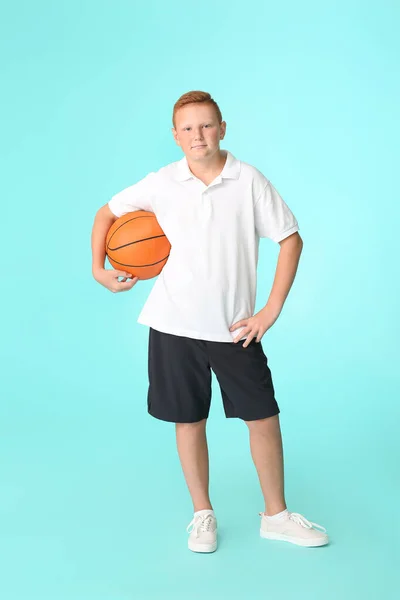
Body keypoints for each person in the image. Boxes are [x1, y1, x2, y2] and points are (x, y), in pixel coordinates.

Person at [91, 90, 329, 553]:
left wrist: (270, 310)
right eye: (188, 128)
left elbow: (291, 239)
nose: (198, 135)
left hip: (234, 327)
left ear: (223, 128)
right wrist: (99, 269)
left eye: (207, 125)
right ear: (175, 135)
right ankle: (203, 514)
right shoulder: (161, 182)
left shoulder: (248, 180)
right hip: (173, 323)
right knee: (188, 419)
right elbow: (106, 213)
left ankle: (276, 515)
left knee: (263, 417)